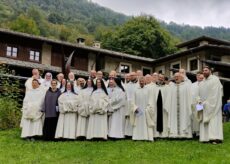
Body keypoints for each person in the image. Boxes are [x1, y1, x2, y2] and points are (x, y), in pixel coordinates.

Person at [197, 66, 223, 144]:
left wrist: (207, 103)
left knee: (213, 121)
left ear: (210, 71)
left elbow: (215, 94)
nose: (204, 72)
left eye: (206, 70)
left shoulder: (215, 80)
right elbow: (198, 94)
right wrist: (199, 102)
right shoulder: (201, 83)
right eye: (203, 71)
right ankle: (205, 138)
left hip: (213, 105)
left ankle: (215, 138)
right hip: (203, 105)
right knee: (203, 121)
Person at [166, 72, 192, 138]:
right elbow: (168, 98)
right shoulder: (171, 87)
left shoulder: (186, 86)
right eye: (175, 77)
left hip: (184, 108)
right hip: (173, 108)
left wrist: (189, 106)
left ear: (181, 77)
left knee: (184, 118)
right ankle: (174, 134)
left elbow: (189, 97)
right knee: (173, 119)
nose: (176, 78)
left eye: (178, 76)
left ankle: (184, 134)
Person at [130, 77, 154, 141]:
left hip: (146, 110)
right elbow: (132, 101)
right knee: (137, 123)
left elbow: (151, 100)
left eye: (143, 81)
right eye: (140, 81)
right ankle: (137, 137)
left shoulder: (148, 90)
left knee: (146, 124)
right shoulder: (135, 90)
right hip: (138, 110)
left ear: (145, 81)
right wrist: (135, 108)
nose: (141, 82)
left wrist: (148, 108)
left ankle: (146, 137)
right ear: (139, 81)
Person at [154, 74, 169, 138]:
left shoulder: (167, 87)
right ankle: (156, 134)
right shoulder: (153, 87)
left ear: (164, 79)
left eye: (162, 78)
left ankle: (164, 134)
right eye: (159, 77)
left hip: (164, 107)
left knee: (164, 120)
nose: (160, 79)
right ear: (157, 78)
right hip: (156, 106)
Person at [124, 71, 139, 137]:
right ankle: (128, 133)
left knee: (137, 117)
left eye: (133, 75)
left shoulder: (139, 84)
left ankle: (136, 133)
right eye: (131, 76)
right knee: (129, 118)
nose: (132, 77)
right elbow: (126, 95)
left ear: (136, 76)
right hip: (129, 103)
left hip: (137, 103)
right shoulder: (127, 85)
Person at [191, 72, 204, 137]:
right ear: (196, 77)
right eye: (197, 76)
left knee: (200, 116)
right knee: (194, 117)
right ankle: (195, 131)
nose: (199, 77)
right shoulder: (193, 85)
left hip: (200, 103)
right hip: (194, 104)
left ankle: (200, 132)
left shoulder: (204, 84)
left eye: (200, 76)